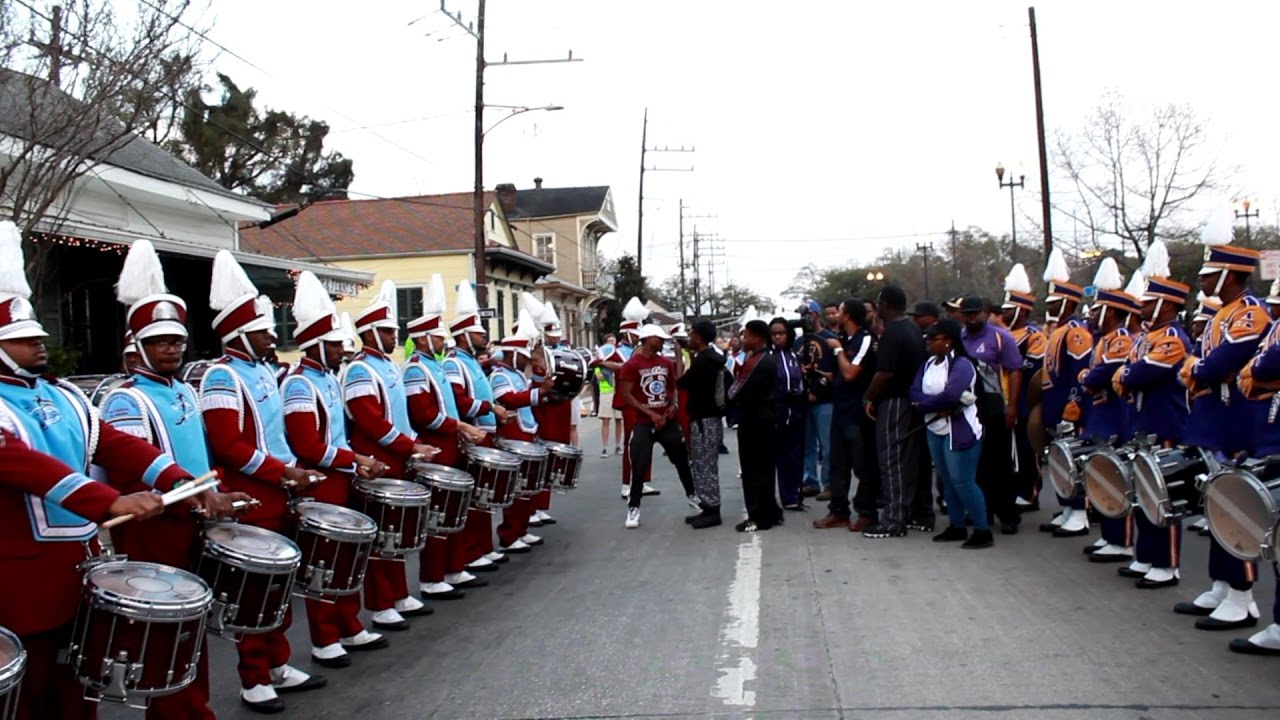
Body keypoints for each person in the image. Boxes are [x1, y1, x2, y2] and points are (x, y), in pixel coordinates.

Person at [100, 240, 249, 720]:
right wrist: (192, 499)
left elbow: (202, 455)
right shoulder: (126, 401)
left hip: (192, 518)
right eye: (160, 342)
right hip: (155, 528)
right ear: (138, 347)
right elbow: (130, 470)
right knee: (168, 631)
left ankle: (193, 708)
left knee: (193, 627)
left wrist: (217, 493)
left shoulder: (185, 390)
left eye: (177, 341)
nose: (171, 349)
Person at [199, 250, 329, 712]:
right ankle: (252, 677)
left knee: (278, 585)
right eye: (262, 329)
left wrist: (291, 474)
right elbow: (231, 446)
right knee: (252, 591)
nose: (273, 336)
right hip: (250, 499)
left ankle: (278, 663)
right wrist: (282, 472)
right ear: (239, 334)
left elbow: (275, 436)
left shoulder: (262, 372)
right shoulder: (221, 376)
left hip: (278, 491)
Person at [280, 272, 392, 668]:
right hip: (319, 485)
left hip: (341, 479)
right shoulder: (298, 385)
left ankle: (350, 623)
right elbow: (308, 446)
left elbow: (337, 437)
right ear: (313, 344)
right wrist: (355, 460)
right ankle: (324, 637)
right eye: (332, 344)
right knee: (323, 563)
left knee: (349, 557)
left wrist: (356, 463)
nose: (340, 350)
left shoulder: (326, 379)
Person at [1174, 232, 1267, 631]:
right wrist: (1200, 368)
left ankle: (1243, 595)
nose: (1202, 281)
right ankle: (1221, 583)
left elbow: (1215, 363)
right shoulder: (1219, 315)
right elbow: (1204, 364)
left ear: (1229, 274)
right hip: (1216, 420)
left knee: (1236, 509)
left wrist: (1198, 369)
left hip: (1238, 422)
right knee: (1216, 505)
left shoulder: (1251, 313)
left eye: (1209, 274)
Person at [405, 274, 496, 587]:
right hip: (435, 448)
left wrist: (459, 428)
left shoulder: (435, 365)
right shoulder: (416, 368)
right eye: (438, 336)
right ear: (422, 339)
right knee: (438, 515)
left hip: (449, 444)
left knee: (454, 511)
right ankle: (432, 577)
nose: (444, 341)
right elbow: (426, 415)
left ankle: (454, 567)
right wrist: (461, 425)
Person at [1115, 258, 1191, 590]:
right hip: (1144, 421)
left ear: (1164, 305)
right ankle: (1146, 555)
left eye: (1148, 303)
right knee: (1143, 494)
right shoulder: (1149, 337)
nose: (1142, 308)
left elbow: (1142, 372)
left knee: (1164, 497)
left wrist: (1126, 375)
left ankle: (1166, 563)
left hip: (1166, 424)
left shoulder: (1172, 337)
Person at [444, 281, 512, 572]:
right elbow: (460, 402)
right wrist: (489, 408)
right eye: (478, 332)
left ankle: (483, 546)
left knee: (483, 496)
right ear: (463, 336)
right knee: (473, 498)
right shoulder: (453, 363)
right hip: (471, 434)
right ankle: (472, 551)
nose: (484, 336)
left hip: (485, 431)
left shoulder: (471, 361)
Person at [909, 319, 991, 549]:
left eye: (933, 338)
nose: (928, 342)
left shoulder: (962, 365)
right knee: (946, 482)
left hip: (961, 429)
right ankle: (956, 526)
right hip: (935, 428)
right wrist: (926, 405)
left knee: (963, 482)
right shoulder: (927, 365)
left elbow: (951, 395)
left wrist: (924, 404)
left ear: (948, 341)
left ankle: (982, 530)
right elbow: (914, 391)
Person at [1078, 262, 1138, 561]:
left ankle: (1122, 541)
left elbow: (1101, 374)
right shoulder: (1105, 339)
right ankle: (1110, 536)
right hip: (1100, 413)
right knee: (1103, 477)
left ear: (1112, 312)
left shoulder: (1122, 339)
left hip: (1116, 415)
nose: (1091, 314)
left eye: (1097, 309)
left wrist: (1088, 379)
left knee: (1116, 478)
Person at [861, 286, 930, 538]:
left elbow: (885, 372)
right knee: (909, 459)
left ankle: (893, 519)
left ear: (886, 304)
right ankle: (911, 513)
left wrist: (868, 397)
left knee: (892, 459)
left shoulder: (893, 331)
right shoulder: (911, 328)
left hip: (894, 401)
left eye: (879, 302)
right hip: (911, 400)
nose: (877, 306)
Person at [616, 324, 697, 528]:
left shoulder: (666, 363)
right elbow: (626, 395)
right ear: (647, 338)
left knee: (681, 460)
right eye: (658, 339)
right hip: (643, 423)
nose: (661, 342)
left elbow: (673, 387)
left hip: (667, 421)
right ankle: (633, 507)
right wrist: (650, 413)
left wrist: (674, 405)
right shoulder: (631, 365)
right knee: (639, 466)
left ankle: (692, 494)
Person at [1038, 248, 1094, 536]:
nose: (1050, 307)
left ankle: (1081, 510)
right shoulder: (1056, 330)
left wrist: (1073, 405)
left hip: (1069, 405)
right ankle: (1068, 506)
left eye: (1055, 302)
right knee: (1060, 459)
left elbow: (1079, 371)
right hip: (1053, 402)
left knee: (1074, 459)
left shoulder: (1076, 331)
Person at [958, 296, 1023, 535]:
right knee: (976, 462)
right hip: (968, 407)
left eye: (976, 313)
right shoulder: (960, 338)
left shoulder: (1000, 337)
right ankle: (982, 511)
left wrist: (1012, 406)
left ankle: (1008, 514)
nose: (972, 317)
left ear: (985, 313)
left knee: (1001, 462)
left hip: (996, 406)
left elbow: (1015, 371)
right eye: (967, 313)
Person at [489, 314, 553, 554]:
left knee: (527, 487)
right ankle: (508, 534)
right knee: (516, 488)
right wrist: (538, 393)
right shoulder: (499, 375)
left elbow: (527, 395)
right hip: (512, 434)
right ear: (512, 353)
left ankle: (521, 529)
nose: (526, 361)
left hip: (525, 431)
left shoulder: (515, 374)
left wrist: (542, 386)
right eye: (523, 356)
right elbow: (507, 399)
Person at [813, 299, 878, 531]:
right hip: (840, 409)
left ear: (848, 315)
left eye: (839, 311)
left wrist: (838, 350)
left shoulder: (865, 339)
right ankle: (838, 511)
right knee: (837, 464)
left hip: (858, 413)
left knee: (862, 466)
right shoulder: (842, 338)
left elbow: (851, 373)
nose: (835, 315)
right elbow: (839, 374)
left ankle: (867, 512)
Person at [1000, 264, 1047, 512]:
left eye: (1009, 310)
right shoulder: (1003, 333)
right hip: (1006, 397)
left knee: (1028, 449)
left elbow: (1033, 367)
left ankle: (1030, 492)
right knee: (1011, 449)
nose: (1004, 313)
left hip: (1025, 400)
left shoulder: (1034, 336)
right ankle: (1014, 487)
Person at [729, 320, 783, 532]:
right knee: (765, 469)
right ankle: (770, 510)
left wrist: (730, 397)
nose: (744, 339)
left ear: (758, 337)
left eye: (748, 335)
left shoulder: (758, 361)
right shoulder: (765, 358)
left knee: (753, 470)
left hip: (754, 421)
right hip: (764, 419)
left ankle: (758, 515)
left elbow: (736, 390)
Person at [678, 320, 727, 528]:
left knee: (705, 465)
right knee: (701, 463)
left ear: (698, 336)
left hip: (704, 418)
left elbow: (683, 382)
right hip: (708, 417)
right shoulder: (713, 359)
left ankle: (712, 509)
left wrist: (681, 361)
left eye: (691, 334)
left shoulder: (704, 361)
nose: (689, 338)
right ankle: (707, 506)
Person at [797, 300, 836, 500]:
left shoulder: (830, 339)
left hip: (825, 399)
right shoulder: (798, 342)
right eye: (802, 314)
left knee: (827, 445)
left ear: (816, 314)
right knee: (807, 444)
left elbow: (834, 372)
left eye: (808, 314)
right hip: (804, 399)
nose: (805, 318)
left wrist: (819, 385)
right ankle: (810, 481)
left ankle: (829, 483)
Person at [595, 334, 622, 456]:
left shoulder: (619, 355)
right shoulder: (600, 357)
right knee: (606, 419)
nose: (612, 343)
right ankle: (604, 447)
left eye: (614, 341)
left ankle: (618, 445)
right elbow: (597, 373)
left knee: (619, 419)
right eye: (609, 341)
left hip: (619, 390)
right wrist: (604, 380)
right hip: (606, 390)